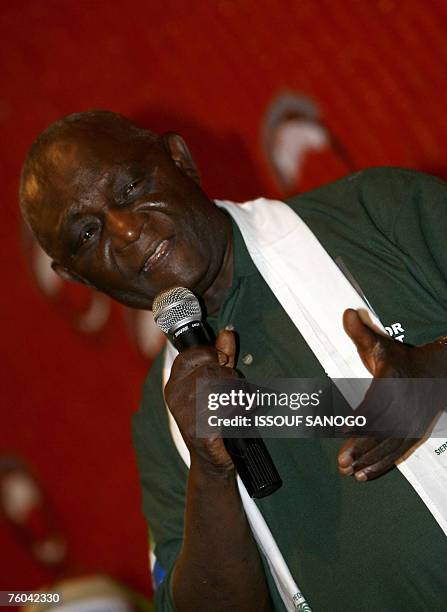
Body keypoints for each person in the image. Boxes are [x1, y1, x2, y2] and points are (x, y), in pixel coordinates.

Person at [19, 110, 447, 612]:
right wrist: (211, 471)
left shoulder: (374, 213)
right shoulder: (162, 424)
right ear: (81, 279)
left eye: (131, 188)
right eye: (88, 235)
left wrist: (435, 372)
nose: (125, 230)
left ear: (180, 159)